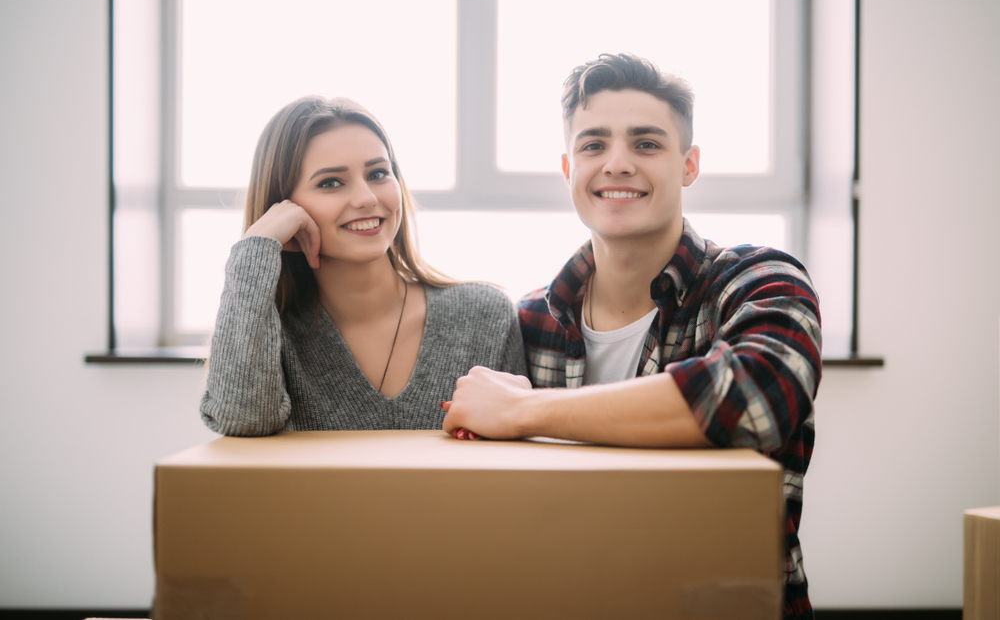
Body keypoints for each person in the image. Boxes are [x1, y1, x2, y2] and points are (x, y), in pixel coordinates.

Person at [441, 54, 822, 619]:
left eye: (646, 144)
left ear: (688, 165)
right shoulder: (528, 320)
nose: (617, 164)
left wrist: (524, 411)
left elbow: (753, 399)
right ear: (568, 168)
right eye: (594, 145)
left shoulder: (758, 280)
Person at [201, 96, 526, 435]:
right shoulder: (270, 336)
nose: (367, 198)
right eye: (330, 182)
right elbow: (242, 420)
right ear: (282, 206)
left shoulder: (484, 316)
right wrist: (254, 249)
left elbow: (516, 469)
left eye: (378, 174)